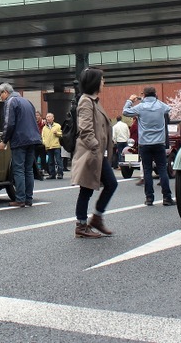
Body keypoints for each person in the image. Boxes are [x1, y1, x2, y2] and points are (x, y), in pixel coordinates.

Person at [71, 68, 117, 238]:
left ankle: (95, 219)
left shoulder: (94, 101)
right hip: (91, 153)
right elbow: (85, 129)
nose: (104, 82)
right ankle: (82, 225)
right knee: (87, 188)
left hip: (96, 153)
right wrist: (96, 147)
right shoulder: (86, 101)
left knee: (107, 184)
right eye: (102, 79)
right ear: (95, 82)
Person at [123, 87, 174, 206]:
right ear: (155, 94)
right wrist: (155, 100)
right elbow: (168, 108)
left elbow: (125, 111)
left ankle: (149, 198)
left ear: (144, 95)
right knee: (162, 169)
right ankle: (167, 197)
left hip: (145, 143)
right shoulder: (161, 106)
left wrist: (130, 100)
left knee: (147, 170)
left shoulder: (140, 107)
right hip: (159, 143)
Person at [0, 83, 40, 208]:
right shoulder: (27, 101)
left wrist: (4, 141)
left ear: (5, 92)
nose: (1, 98)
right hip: (32, 139)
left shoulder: (11, 102)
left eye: (0, 95)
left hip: (20, 139)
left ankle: (20, 198)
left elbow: (9, 123)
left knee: (18, 169)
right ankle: (28, 198)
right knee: (29, 170)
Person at [40, 112, 63, 179]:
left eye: (49, 117)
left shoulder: (57, 126)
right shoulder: (44, 128)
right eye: (47, 117)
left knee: (58, 160)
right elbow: (43, 137)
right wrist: (44, 143)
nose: (48, 118)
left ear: (53, 118)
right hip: (48, 146)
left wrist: (57, 133)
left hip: (56, 146)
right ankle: (52, 174)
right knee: (50, 161)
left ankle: (60, 173)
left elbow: (62, 134)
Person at [33, 110, 47, 181]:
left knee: (43, 158)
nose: (36, 117)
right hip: (35, 143)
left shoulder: (44, 123)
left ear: (40, 116)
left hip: (42, 143)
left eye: (38, 115)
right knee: (34, 158)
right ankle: (36, 172)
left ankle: (44, 170)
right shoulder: (33, 123)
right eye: (35, 115)